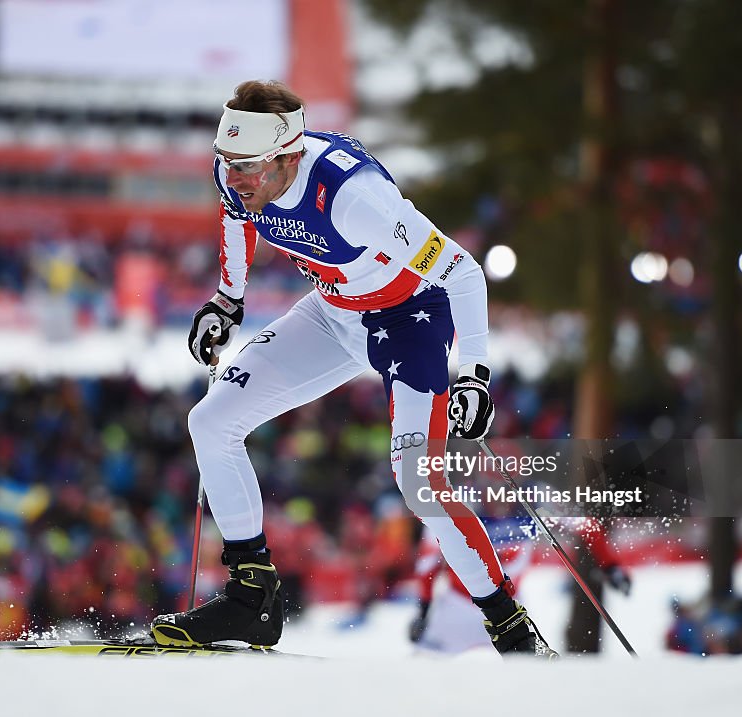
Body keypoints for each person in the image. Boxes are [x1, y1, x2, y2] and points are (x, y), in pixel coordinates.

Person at [149, 80, 556, 658]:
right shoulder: (240, 172)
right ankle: (251, 597)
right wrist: (227, 300)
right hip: (333, 314)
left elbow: (462, 272)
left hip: (410, 320)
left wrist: (476, 375)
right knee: (210, 422)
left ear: (290, 155)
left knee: (420, 486)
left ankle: (511, 631)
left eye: (249, 168)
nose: (234, 179)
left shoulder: (354, 200)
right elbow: (235, 214)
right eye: (227, 163)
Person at [409, 517, 631, 654]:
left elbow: (584, 524)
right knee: (429, 668)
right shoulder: (463, 500)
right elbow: (428, 561)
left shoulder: (531, 500)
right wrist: (424, 609)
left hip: (509, 608)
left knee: (524, 672)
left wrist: (611, 565)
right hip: (458, 608)